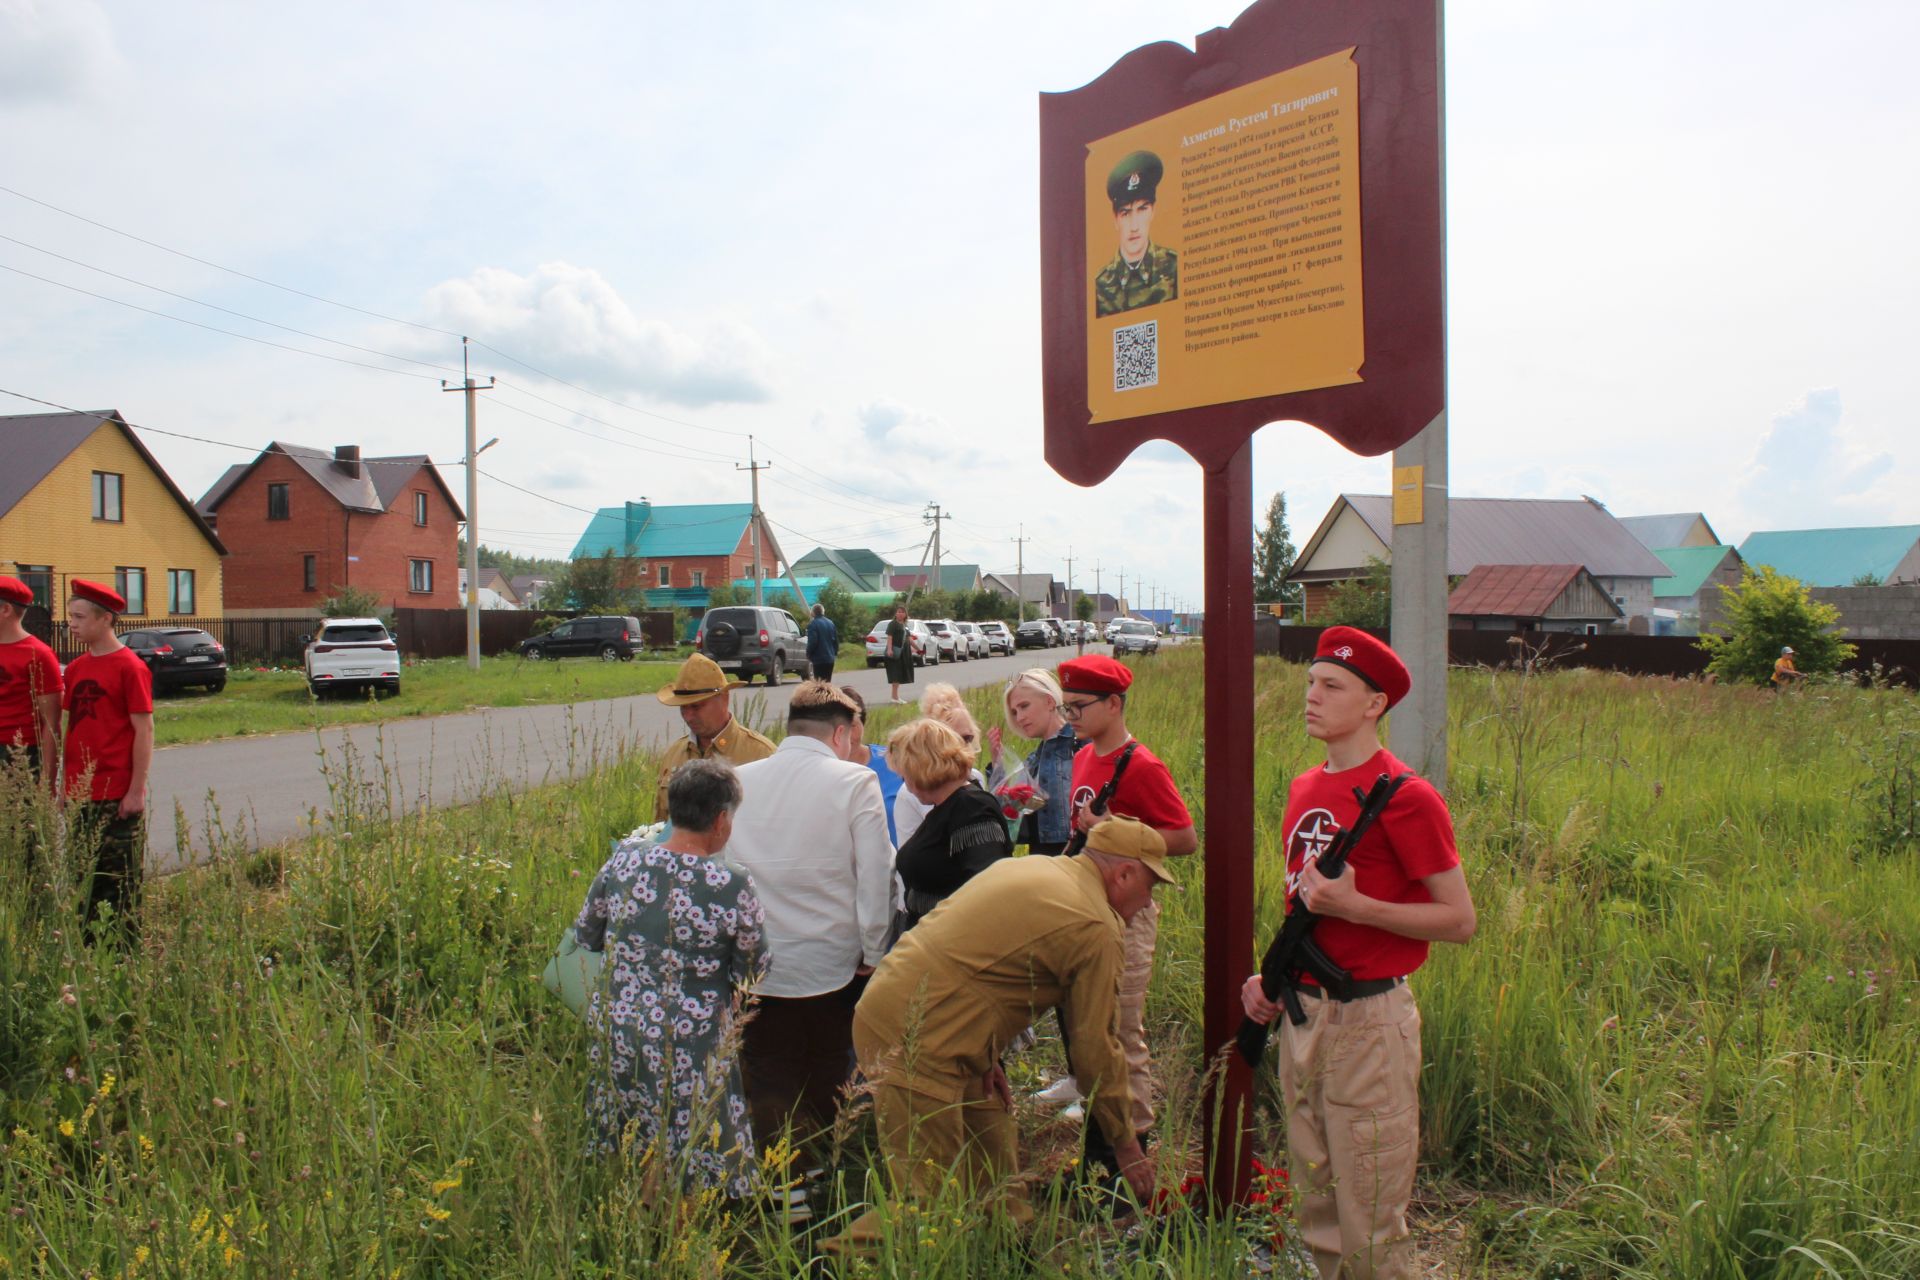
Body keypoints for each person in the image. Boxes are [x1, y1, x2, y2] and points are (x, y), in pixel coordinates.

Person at [1240, 626, 1477, 1280]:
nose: (1312, 697)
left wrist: (1361, 908)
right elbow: (1301, 905)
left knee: (1371, 1225)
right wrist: (1270, 976)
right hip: (1302, 1016)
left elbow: (1459, 920)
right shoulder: (1302, 787)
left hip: (1369, 1028)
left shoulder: (1407, 797)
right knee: (1316, 1210)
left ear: (1374, 704)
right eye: (1311, 682)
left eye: (1332, 686)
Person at [825, 817, 1173, 1256]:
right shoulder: (1095, 926)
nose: (1147, 903)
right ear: (1123, 874)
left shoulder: (1039, 869)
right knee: (932, 1196)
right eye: (1149, 886)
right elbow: (1094, 1047)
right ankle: (830, 1261)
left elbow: (977, 957)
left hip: (915, 1008)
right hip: (915, 1037)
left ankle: (1011, 1248)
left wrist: (986, 1054)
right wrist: (1125, 1143)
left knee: (991, 1135)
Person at [572, 758, 766, 1198]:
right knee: (692, 1138)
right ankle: (680, 1227)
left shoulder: (624, 859)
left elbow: (587, 933)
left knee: (628, 1132)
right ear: (721, 820)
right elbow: (753, 968)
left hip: (618, 1025)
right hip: (691, 1039)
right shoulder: (731, 882)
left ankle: (629, 1211)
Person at [723, 681, 893, 1160]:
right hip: (832, 962)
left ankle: (782, 1178)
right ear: (841, 734)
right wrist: (875, 950)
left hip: (758, 965)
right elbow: (875, 874)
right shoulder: (856, 782)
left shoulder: (740, 779)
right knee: (828, 1067)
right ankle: (826, 1165)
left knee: (767, 1071)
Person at [1056, 653, 1197, 1168]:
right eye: (1065, 707)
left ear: (1114, 704)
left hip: (1127, 916)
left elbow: (1184, 839)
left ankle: (1133, 1151)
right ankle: (1099, 1150)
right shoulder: (1082, 756)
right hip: (1087, 910)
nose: (1070, 718)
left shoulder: (1142, 764)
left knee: (1119, 1029)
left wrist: (1113, 830)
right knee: (1086, 1029)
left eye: (1078, 708)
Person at [60, 579, 153, 932]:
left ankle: (123, 960)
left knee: (118, 885)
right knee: (83, 880)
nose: (72, 623)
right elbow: (74, 727)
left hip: (115, 793)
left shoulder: (130, 666)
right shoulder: (79, 668)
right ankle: (88, 954)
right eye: (70, 616)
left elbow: (143, 730)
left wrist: (135, 790)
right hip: (79, 791)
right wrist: (64, 785)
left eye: (80, 616)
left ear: (105, 620)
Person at [886, 717, 1011, 930]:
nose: (906, 784)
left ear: (920, 770)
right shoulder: (948, 806)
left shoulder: (972, 810)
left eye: (904, 776)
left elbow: (986, 890)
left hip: (951, 943)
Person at [652, 653, 776, 823]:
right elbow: (660, 824)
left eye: (696, 706)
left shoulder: (761, 754)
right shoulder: (673, 754)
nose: (688, 716)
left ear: (724, 699)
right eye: (683, 708)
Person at [986, 668, 1078, 856]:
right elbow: (1008, 815)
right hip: (1041, 859)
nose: (1019, 718)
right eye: (1014, 711)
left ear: (1049, 701)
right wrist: (998, 765)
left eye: (1024, 706)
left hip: (1077, 858)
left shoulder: (1080, 745)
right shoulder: (1033, 760)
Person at [893, 682, 985, 846]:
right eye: (956, 740)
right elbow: (909, 860)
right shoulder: (910, 792)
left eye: (968, 739)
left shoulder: (976, 778)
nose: (964, 748)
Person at [1093, 149, 1178, 317]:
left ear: (1153, 211)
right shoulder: (1099, 286)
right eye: (1125, 213)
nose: (1134, 226)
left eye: (1142, 209)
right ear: (1116, 219)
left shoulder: (1175, 268)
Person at [0, 575, 62, 781]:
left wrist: (47, 779)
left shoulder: (38, 654)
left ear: (5, 610)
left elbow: (51, 723)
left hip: (19, 756)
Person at [839, 685, 906, 845]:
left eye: (853, 726)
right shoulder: (820, 773)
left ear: (863, 724)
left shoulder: (892, 759)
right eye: (840, 728)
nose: (847, 736)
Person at [883, 604, 914, 705]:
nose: (900, 614)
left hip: (903, 654)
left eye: (902, 612)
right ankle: (894, 697)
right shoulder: (893, 624)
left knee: (899, 675)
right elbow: (890, 637)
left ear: (905, 614)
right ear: (896, 614)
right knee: (895, 674)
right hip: (894, 653)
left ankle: (895, 697)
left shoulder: (905, 626)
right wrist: (889, 649)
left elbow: (910, 639)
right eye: (898, 612)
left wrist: (918, 649)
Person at [806, 603, 840, 684]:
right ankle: (828, 696)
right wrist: (834, 653)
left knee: (819, 684)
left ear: (813, 612)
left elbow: (813, 641)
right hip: (830, 658)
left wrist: (808, 653)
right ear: (823, 612)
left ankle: (821, 697)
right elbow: (836, 641)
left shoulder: (813, 624)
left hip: (819, 658)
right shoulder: (831, 623)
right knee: (828, 683)